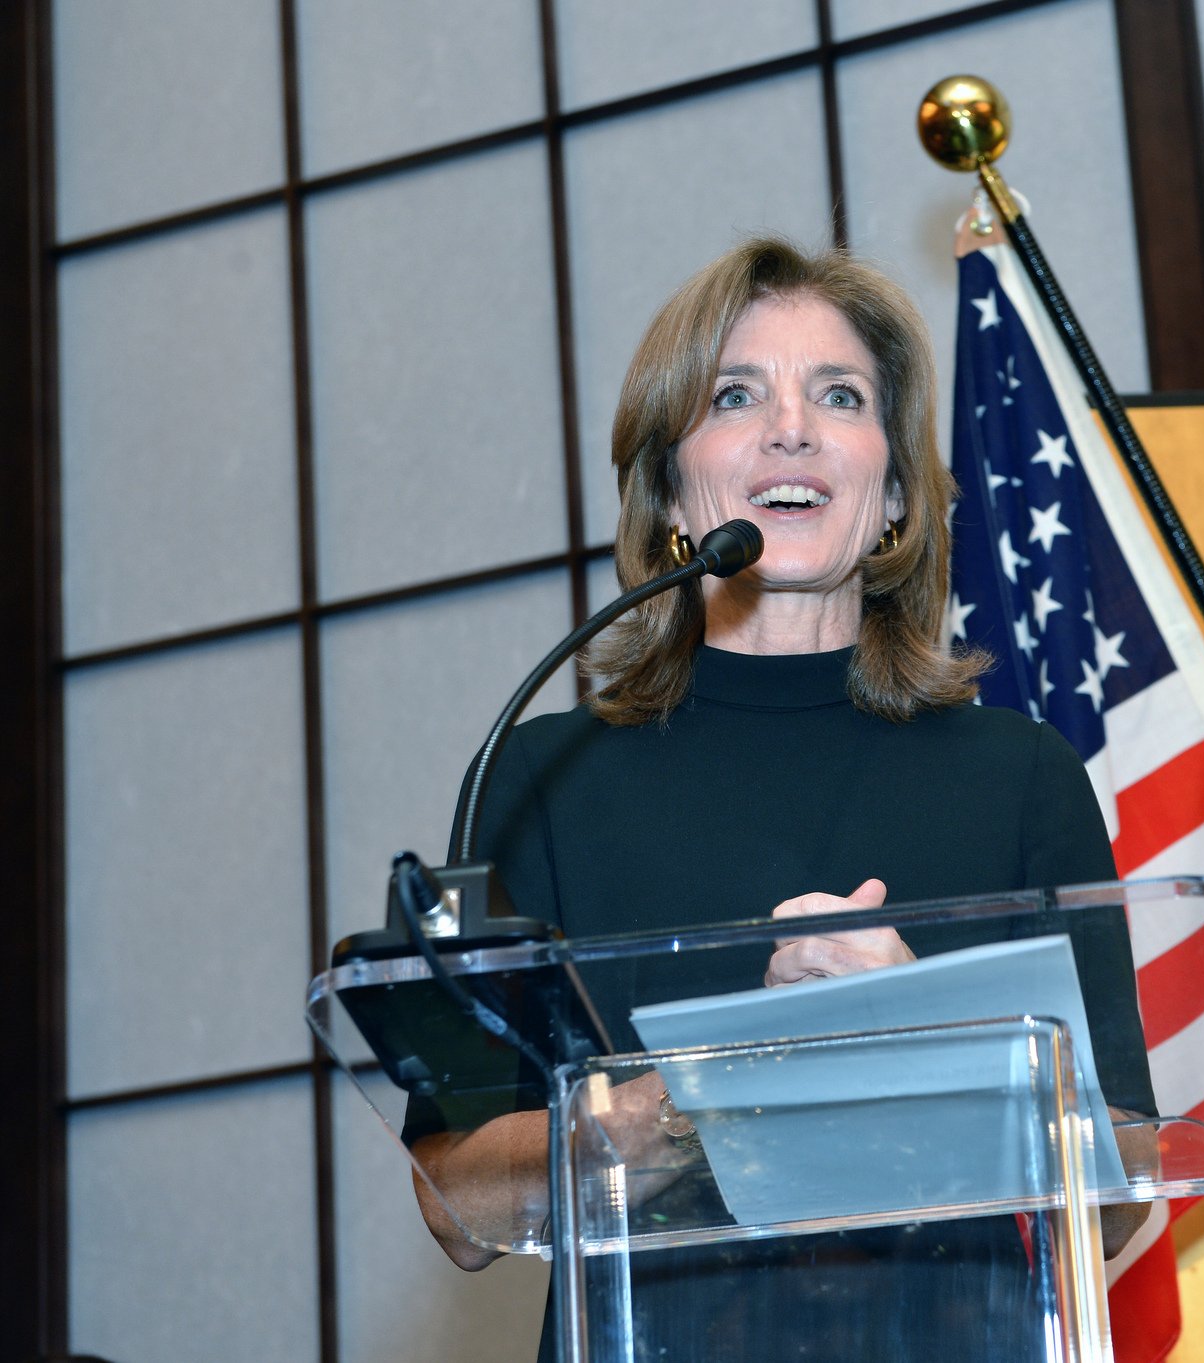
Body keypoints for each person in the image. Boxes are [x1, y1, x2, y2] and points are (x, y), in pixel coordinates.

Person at [405, 237, 1153, 1360]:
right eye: (735, 395)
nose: (790, 427)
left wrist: (926, 1045)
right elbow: (456, 1201)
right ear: (668, 485)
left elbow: (1119, 1191)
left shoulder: (1021, 775)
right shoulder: (540, 778)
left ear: (894, 489)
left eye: (839, 396)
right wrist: (686, 1100)